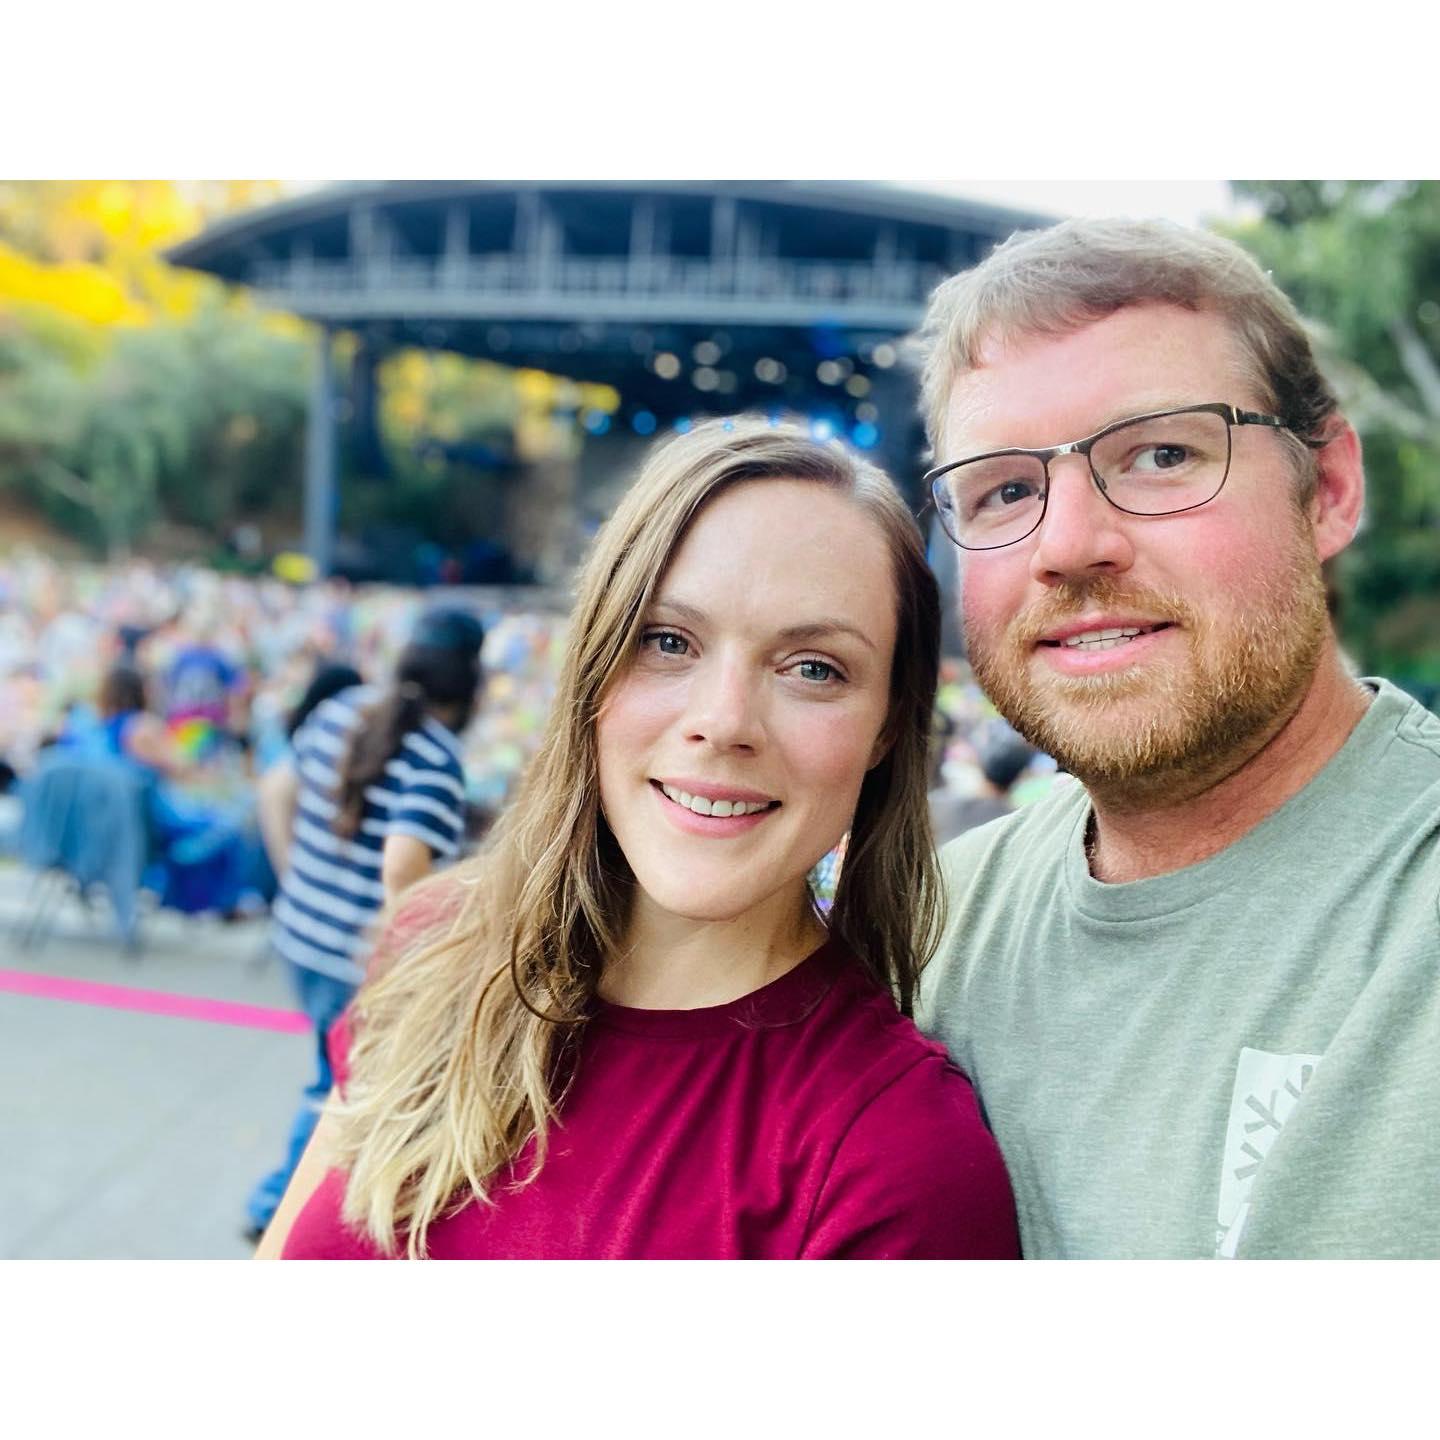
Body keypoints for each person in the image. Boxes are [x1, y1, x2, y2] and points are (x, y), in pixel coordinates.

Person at [258, 418, 1018, 1260]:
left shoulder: (899, 1160)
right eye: (667, 641)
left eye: (813, 667)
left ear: (886, 730)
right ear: (593, 665)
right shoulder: (434, 942)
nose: (724, 722)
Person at [912, 217, 1440, 1259]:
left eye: (1160, 455)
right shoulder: (925, 934)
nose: (1068, 546)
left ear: (1327, 488)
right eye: (1007, 489)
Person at [242, 614, 479, 1243]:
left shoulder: (342, 708)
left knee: (330, 1073)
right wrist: (407, 940)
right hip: (355, 956)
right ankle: (277, 1206)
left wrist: (297, 878)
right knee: (335, 1086)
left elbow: (274, 791)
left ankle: (281, 1202)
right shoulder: (437, 754)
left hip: (300, 935)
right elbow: (404, 860)